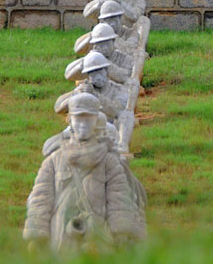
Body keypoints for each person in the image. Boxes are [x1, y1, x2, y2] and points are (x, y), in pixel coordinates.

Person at [23, 93, 145, 251]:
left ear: (96, 121)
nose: (83, 125)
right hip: (60, 240)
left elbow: (119, 198)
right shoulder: (54, 160)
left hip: (96, 239)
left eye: (89, 119)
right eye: (78, 119)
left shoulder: (109, 162)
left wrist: (122, 231)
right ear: (70, 121)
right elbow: (41, 198)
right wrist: (36, 235)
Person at [65, 23, 134, 85]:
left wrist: (103, 62)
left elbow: (126, 78)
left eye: (107, 43)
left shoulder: (126, 59)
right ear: (95, 45)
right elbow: (68, 74)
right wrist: (89, 59)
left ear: (113, 41)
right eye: (101, 44)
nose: (105, 48)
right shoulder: (93, 58)